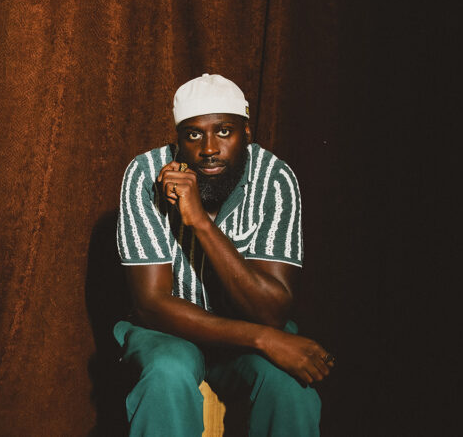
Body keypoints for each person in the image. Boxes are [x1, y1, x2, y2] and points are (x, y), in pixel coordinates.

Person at [115, 74, 333, 437]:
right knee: (167, 372)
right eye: (194, 135)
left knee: (290, 388)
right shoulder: (144, 175)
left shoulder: (274, 179)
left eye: (224, 131)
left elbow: (272, 311)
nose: (209, 149)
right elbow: (151, 305)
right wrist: (263, 339)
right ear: (178, 140)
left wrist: (200, 223)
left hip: (248, 332)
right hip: (168, 334)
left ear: (246, 133)